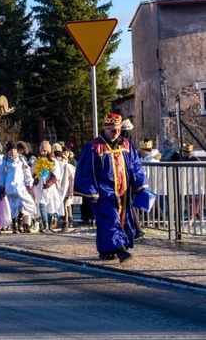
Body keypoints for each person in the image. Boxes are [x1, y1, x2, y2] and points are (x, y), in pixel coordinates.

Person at [74, 113, 148, 263]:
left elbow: (135, 166)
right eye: (113, 130)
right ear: (106, 129)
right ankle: (120, 249)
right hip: (103, 193)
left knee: (121, 219)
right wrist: (91, 192)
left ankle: (106, 250)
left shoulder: (127, 145)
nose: (116, 133)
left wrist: (139, 185)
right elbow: (84, 171)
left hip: (123, 192)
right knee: (110, 219)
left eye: (119, 129)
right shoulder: (94, 147)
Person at [1, 141, 36, 234]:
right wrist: (1, 186)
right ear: (8, 151)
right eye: (10, 150)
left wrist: (29, 182)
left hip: (20, 185)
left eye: (14, 150)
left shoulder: (21, 159)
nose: (12, 152)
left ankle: (21, 222)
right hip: (10, 185)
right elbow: (2, 174)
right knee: (13, 205)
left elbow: (26, 171)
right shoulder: (5, 161)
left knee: (23, 204)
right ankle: (14, 224)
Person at [33, 141, 64, 232]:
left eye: (45, 151)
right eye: (42, 151)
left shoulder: (53, 162)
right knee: (41, 204)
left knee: (50, 207)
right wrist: (35, 179)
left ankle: (49, 224)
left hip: (49, 187)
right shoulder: (38, 160)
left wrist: (49, 184)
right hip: (40, 186)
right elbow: (34, 172)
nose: (43, 153)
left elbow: (56, 175)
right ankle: (45, 225)